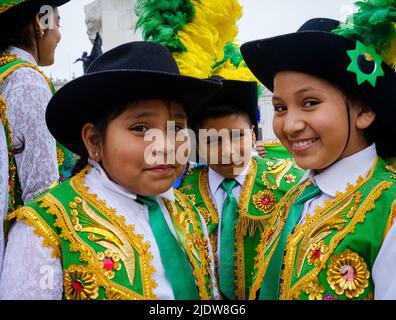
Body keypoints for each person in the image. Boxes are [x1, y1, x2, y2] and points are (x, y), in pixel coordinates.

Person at [0, 41, 222, 300]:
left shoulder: (190, 214)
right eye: (140, 128)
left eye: (177, 128)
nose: (165, 146)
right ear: (94, 141)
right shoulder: (43, 230)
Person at [241, 14, 396, 300]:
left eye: (310, 103)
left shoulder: (389, 210)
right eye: (280, 107)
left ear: (363, 111)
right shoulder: (295, 194)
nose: (289, 126)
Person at [178, 77, 304, 300]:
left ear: (253, 135)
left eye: (237, 136)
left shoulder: (291, 182)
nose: (227, 151)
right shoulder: (181, 193)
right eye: (212, 140)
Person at [0, 0, 73, 274]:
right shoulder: (25, 80)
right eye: (58, 23)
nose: (59, 34)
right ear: (39, 22)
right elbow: (42, 195)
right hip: (18, 254)